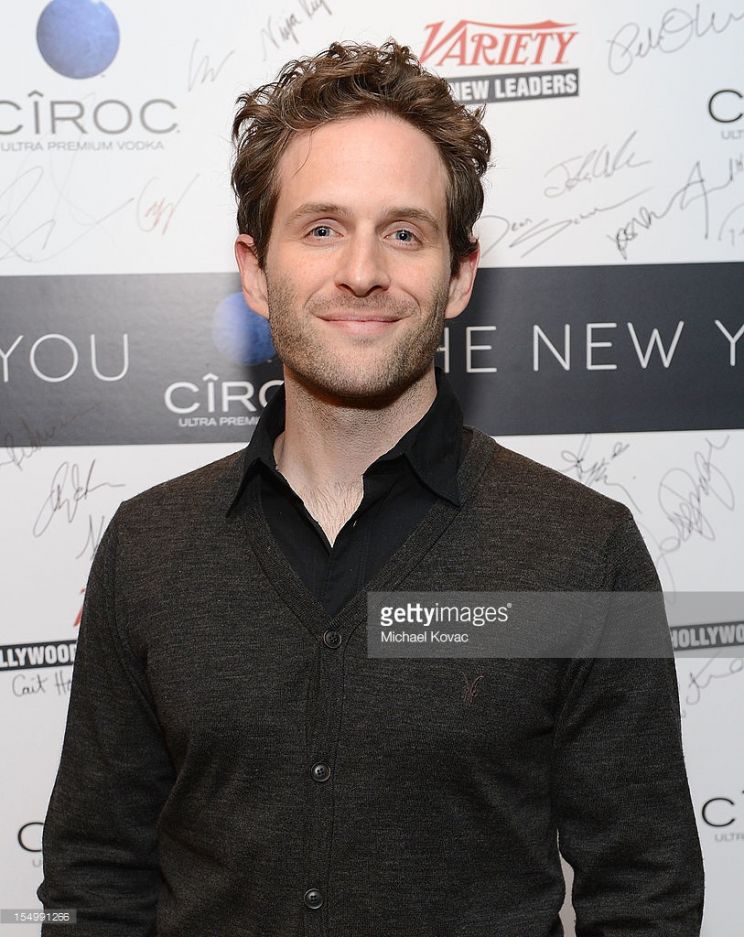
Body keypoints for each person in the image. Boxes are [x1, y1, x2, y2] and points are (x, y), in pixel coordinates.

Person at [38, 40, 704, 936]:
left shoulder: (585, 550)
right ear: (254, 271)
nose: (362, 271)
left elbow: (646, 893)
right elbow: (95, 878)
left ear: (459, 275)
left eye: (404, 232)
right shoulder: (148, 546)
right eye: (321, 229)